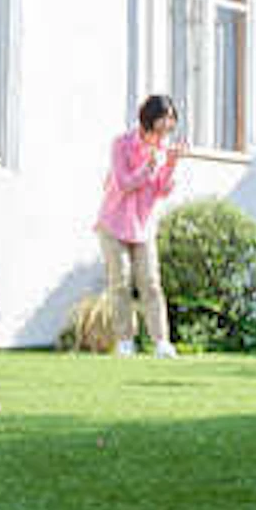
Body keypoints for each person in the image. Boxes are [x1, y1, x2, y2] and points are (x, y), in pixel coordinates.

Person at [96, 94, 186, 358]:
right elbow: (123, 183)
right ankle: (125, 341)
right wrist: (147, 167)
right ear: (148, 122)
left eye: (169, 129)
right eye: (161, 127)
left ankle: (161, 342)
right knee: (120, 282)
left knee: (151, 283)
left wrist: (170, 164)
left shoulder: (160, 150)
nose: (164, 134)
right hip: (113, 222)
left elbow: (161, 190)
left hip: (142, 226)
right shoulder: (121, 144)